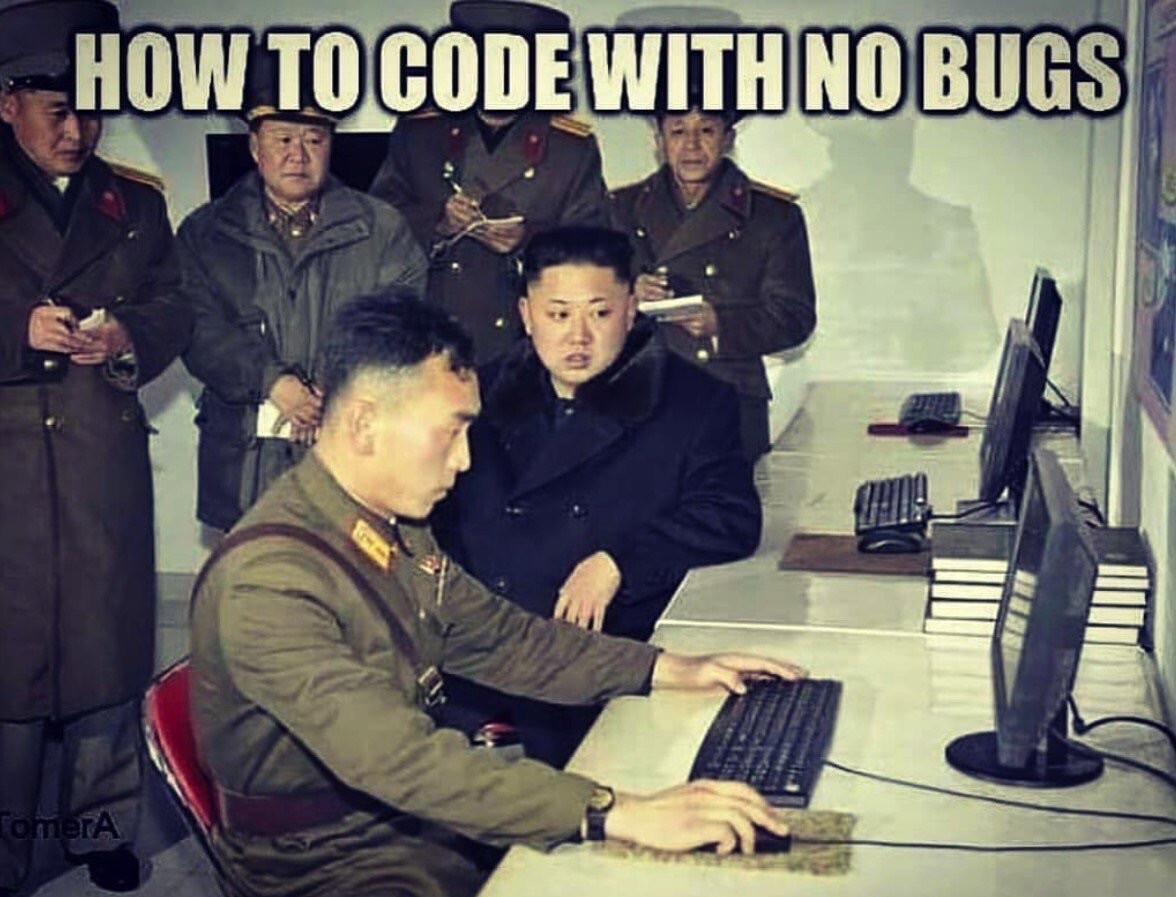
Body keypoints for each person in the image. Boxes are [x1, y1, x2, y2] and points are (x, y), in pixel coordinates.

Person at [190, 291, 803, 897]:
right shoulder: (270, 581)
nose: (464, 461)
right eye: (451, 432)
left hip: (409, 816)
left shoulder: (388, 525)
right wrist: (612, 811)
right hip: (325, 858)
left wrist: (666, 669)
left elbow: (503, 639)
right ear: (364, 424)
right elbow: (396, 757)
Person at [432, 225, 761, 766]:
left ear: (631, 310)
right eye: (559, 314)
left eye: (600, 313)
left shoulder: (694, 401)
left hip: (602, 669)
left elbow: (729, 516)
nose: (577, 337)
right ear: (526, 314)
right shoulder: (474, 395)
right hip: (479, 663)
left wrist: (618, 562)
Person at [0, 1, 191, 892]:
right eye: (56, 112)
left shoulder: (135, 202)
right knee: (9, 665)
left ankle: (101, 828)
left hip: (99, 462)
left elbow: (173, 305)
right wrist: (15, 328)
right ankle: (9, 841)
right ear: (8, 103)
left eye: (90, 112)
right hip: (8, 468)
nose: (77, 132)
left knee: (106, 654)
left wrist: (127, 336)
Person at [180, 47, 428, 531]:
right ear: (255, 147)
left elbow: (402, 323)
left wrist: (335, 389)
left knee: (353, 570)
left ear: (331, 144)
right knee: (254, 571)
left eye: (314, 139)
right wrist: (273, 383)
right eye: (283, 139)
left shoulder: (382, 228)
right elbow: (198, 328)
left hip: (350, 453)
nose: (298, 154)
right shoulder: (204, 233)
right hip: (246, 461)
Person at [370, 0, 610, 361]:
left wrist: (528, 241)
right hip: (426, 338)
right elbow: (377, 222)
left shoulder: (569, 147)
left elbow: (595, 246)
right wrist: (439, 222)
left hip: (522, 346)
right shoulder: (420, 132)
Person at [610, 92, 817, 459]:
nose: (691, 145)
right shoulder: (620, 209)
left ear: (728, 139)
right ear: (659, 141)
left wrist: (720, 324)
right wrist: (625, 292)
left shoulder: (772, 216)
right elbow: (576, 297)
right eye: (677, 131)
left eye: (706, 130)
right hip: (638, 397)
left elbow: (794, 317)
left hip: (729, 398)